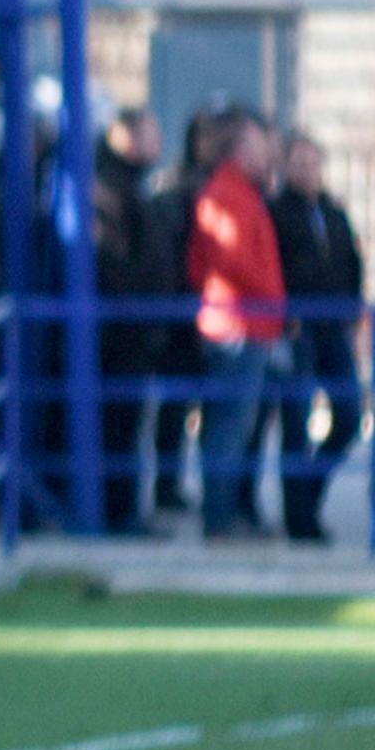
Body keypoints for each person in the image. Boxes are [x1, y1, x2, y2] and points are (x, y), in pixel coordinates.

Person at [185, 111, 283, 539]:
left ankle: (227, 515)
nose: (266, 155)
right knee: (230, 426)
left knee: (237, 426)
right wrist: (276, 301)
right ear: (241, 150)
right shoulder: (227, 194)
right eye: (258, 146)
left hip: (247, 327)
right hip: (238, 329)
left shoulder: (238, 192)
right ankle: (219, 520)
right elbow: (231, 262)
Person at [268, 130, 363, 543]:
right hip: (298, 331)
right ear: (286, 166)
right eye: (300, 163)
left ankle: (310, 495)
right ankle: (299, 519)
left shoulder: (334, 213)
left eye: (314, 163)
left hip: (333, 331)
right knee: (295, 425)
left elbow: (351, 263)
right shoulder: (276, 213)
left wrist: (352, 311)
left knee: (348, 417)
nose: (308, 171)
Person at [147, 108, 229, 515]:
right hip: (182, 312)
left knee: (216, 407)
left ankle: (214, 489)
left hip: (215, 310)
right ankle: (168, 485)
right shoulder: (177, 187)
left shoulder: (227, 185)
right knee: (175, 406)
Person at [92, 107, 167, 531]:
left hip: (134, 329)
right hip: (122, 332)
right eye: (150, 134)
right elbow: (117, 261)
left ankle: (125, 511)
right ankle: (119, 515)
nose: (157, 144)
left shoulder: (129, 186)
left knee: (128, 426)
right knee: (119, 426)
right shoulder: (111, 188)